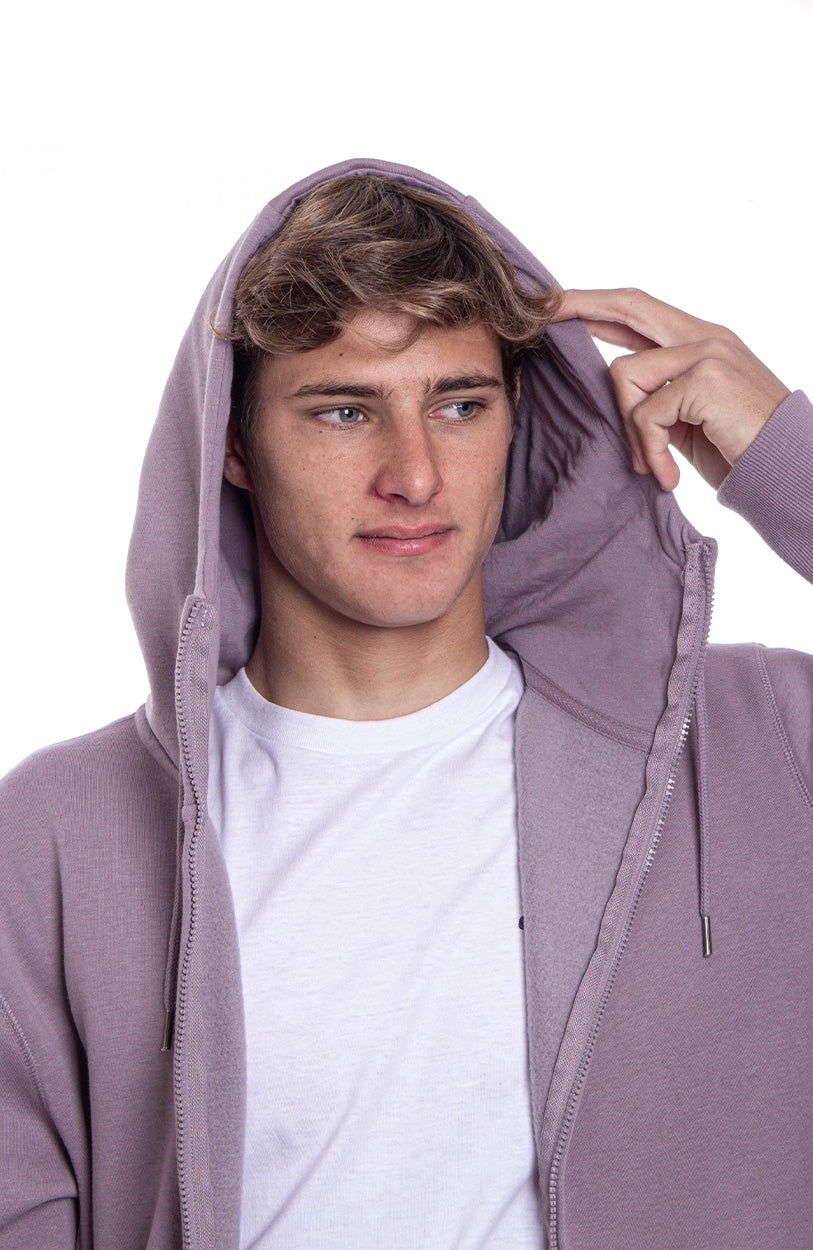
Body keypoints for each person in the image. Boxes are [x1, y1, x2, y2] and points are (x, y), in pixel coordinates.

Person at [1, 158, 811, 1250]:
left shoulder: (752, 738)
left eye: (459, 404)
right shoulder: (61, 833)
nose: (416, 475)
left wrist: (788, 455)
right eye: (346, 410)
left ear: (520, 420)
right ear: (233, 444)